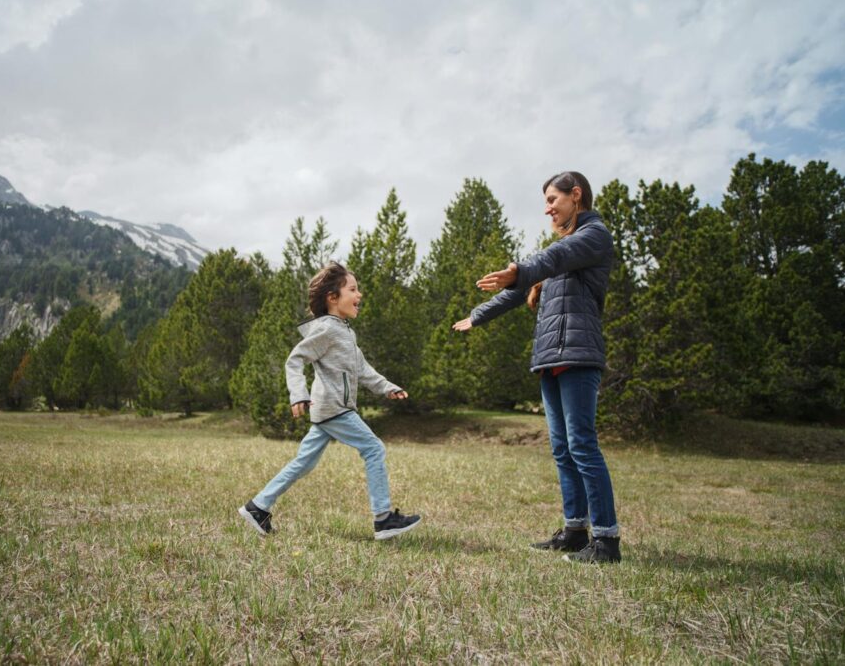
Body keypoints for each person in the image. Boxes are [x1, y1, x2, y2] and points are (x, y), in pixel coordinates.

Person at [452, 171, 621, 563]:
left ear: (575, 195)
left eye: (552, 199)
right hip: (551, 358)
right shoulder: (564, 248)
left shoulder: (593, 237)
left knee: (582, 445)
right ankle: (576, 531)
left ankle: (607, 541)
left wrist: (522, 268)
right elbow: (518, 291)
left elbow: (552, 257)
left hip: (578, 355)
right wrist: (478, 315)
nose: (547, 208)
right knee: (562, 449)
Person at [239, 261, 422, 541]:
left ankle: (258, 506)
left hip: (329, 409)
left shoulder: (345, 331)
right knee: (374, 448)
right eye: (353, 289)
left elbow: (362, 369)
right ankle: (384, 519)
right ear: (333, 298)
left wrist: (387, 388)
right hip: (334, 408)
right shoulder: (327, 330)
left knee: (304, 462)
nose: (359, 295)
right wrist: (298, 393)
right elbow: (295, 360)